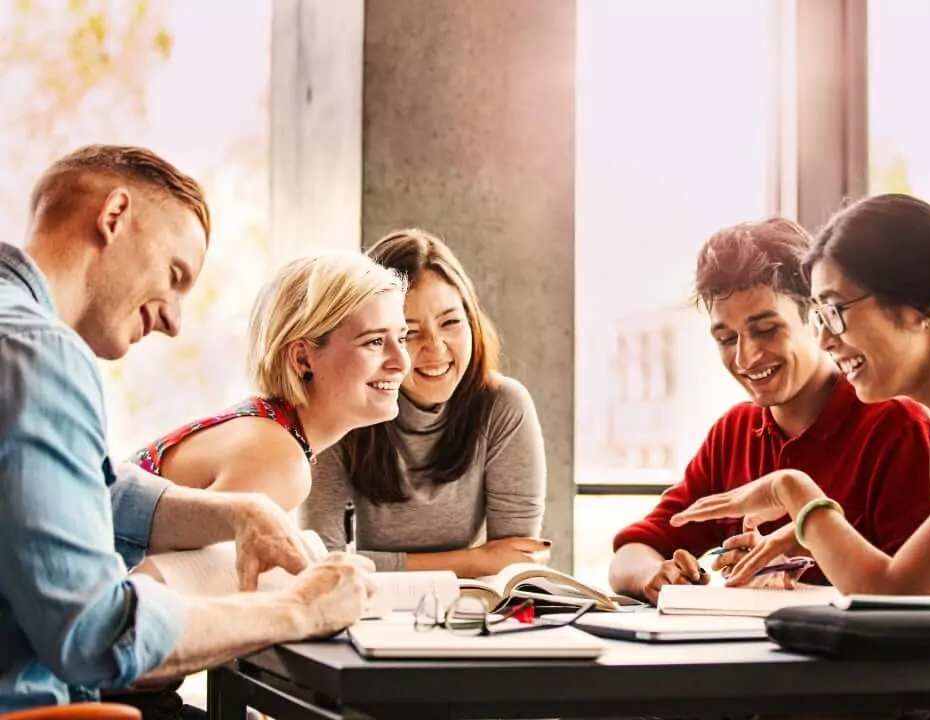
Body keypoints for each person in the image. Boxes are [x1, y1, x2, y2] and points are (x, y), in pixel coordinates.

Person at [0, 145, 374, 712]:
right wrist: (299, 608)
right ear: (115, 216)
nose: (174, 321)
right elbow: (96, 635)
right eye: (175, 275)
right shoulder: (39, 352)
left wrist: (237, 512)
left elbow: (76, 489)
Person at [671, 194, 930, 601]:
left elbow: (898, 595)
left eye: (836, 311)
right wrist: (812, 544)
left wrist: (794, 492)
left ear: (918, 306)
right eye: (820, 318)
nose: (824, 340)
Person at [610, 218, 930, 605]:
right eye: (726, 339)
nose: (745, 357)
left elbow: (915, 596)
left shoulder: (896, 427)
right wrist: (654, 575)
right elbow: (629, 555)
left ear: (817, 318)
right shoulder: (734, 432)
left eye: (765, 330)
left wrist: (801, 559)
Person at [301, 228, 549, 576]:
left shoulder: (503, 405)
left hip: (474, 609)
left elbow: (514, 561)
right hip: (372, 610)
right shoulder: (342, 407)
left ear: (472, 322)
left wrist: (374, 562)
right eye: (410, 332)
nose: (435, 348)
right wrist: (475, 560)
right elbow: (320, 562)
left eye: (450, 322)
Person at [129, 251, 410, 512]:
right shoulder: (278, 461)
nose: (402, 361)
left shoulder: (271, 431)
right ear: (302, 359)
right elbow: (165, 567)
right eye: (374, 341)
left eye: (401, 338)